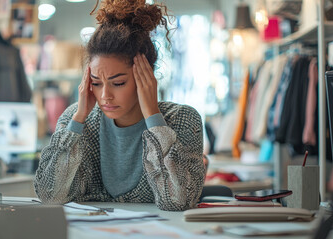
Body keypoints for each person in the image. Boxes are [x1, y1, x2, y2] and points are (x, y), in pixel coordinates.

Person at [34, 0, 205, 211]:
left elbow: (178, 201)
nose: (105, 95)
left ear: (146, 77)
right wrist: (77, 120)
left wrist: (153, 116)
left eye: (118, 83)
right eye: (96, 83)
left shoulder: (182, 119)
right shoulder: (76, 120)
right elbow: (50, 196)